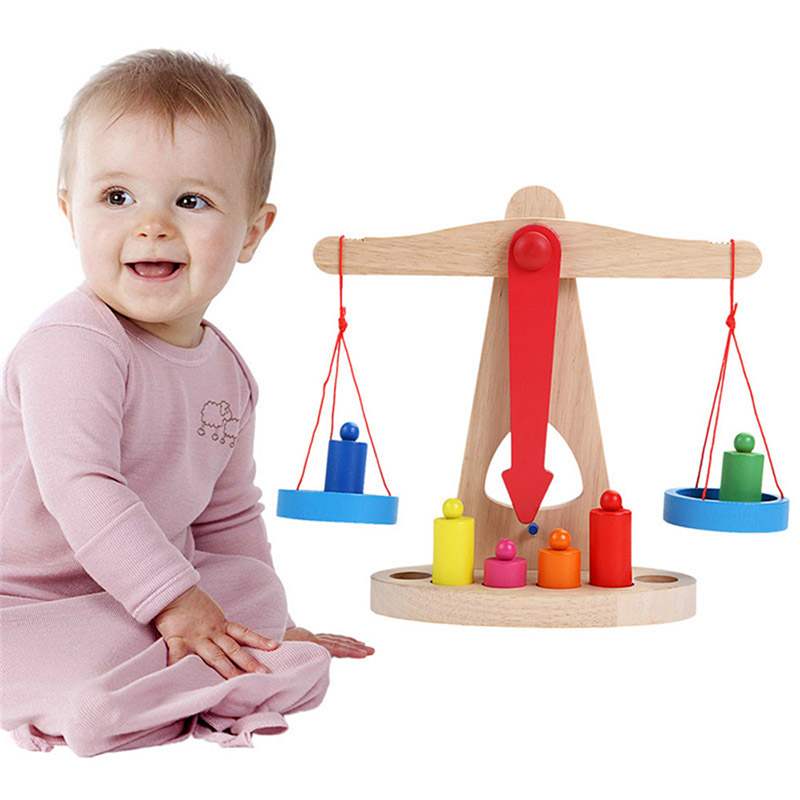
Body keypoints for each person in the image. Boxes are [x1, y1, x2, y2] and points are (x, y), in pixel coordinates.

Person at [0, 49, 373, 757]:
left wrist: (273, 622)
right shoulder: (74, 343)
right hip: (27, 600)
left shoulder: (229, 372)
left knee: (249, 586)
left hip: (139, 600)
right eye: (117, 198)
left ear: (252, 232)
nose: (152, 226)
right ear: (70, 213)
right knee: (63, 654)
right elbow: (81, 486)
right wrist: (176, 602)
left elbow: (225, 516)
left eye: (191, 201)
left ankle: (169, 684)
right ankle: (109, 702)